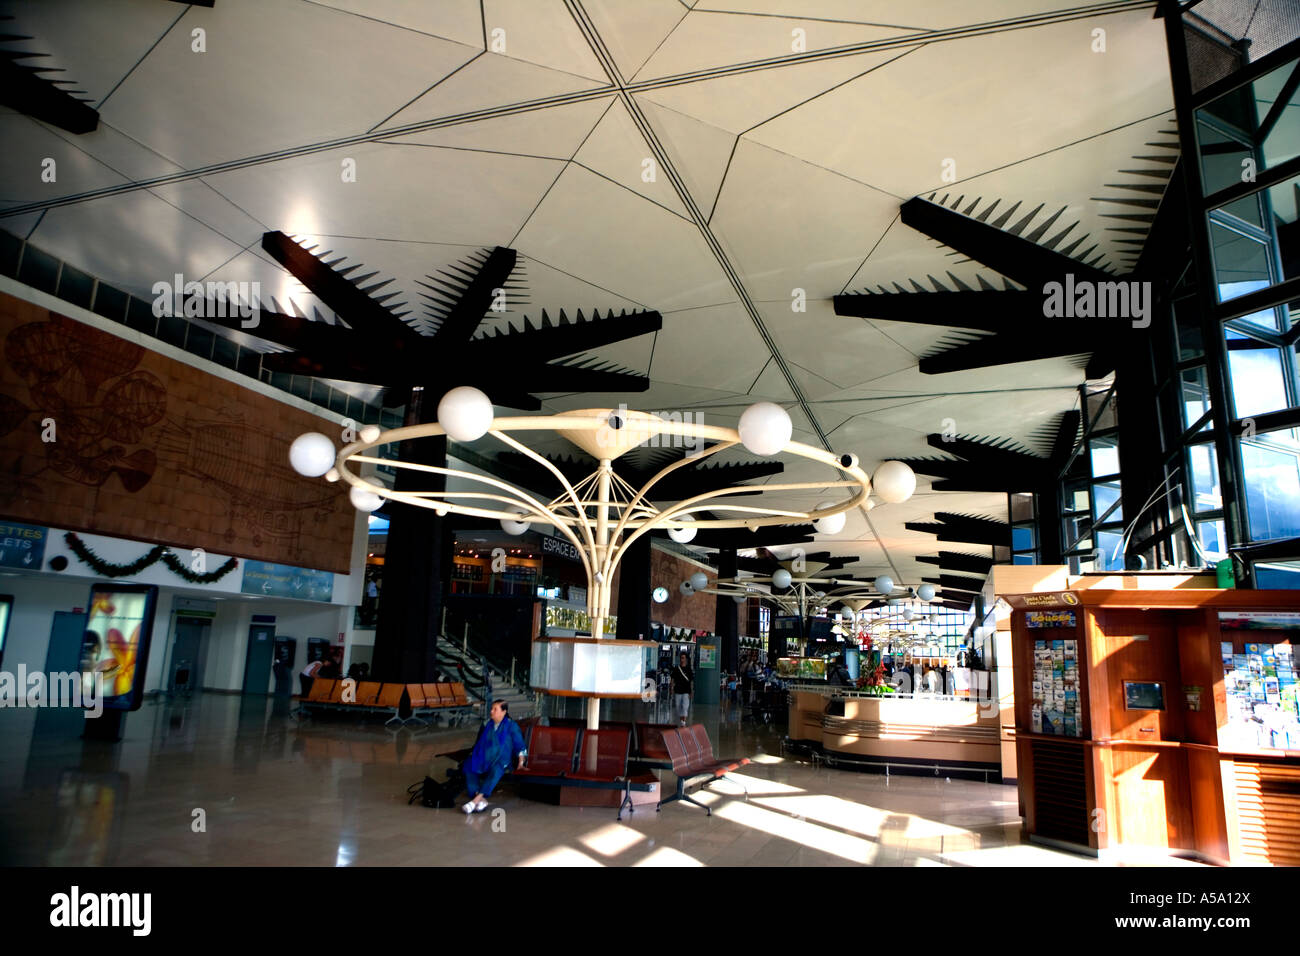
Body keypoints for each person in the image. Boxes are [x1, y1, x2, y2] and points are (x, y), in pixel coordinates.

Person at [463, 699, 526, 814]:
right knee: (468, 765)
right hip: (485, 757)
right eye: (492, 709)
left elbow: (520, 746)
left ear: (504, 711)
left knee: (497, 769)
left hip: (502, 760)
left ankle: (475, 800)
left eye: (495, 709)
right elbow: (479, 743)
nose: (491, 711)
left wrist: (521, 763)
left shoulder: (511, 726)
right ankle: (481, 800)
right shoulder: (487, 724)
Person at [671, 652, 694, 726]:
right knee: (678, 706)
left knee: (685, 706)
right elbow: (672, 679)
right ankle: (682, 720)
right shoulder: (676, 669)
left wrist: (691, 691)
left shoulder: (689, 669)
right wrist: (671, 688)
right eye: (681, 658)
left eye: (683, 658)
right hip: (678, 690)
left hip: (686, 691)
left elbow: (691, 681)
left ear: (686, 659)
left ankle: (683, 722)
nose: (682, 660)